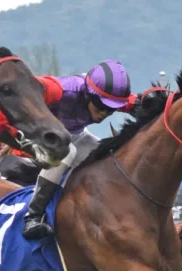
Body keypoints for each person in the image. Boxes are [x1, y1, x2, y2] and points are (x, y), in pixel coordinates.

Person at [21, 61, 136, 240]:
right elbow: (21, 88)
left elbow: (142, 102)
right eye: (102, 105)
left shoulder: (109, 97)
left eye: (112, 109)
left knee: (106, 155)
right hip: (35, 138)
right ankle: (33, 216)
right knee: (68, 151)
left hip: (70, 135)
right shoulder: (61, 90)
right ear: (89, 94)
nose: (105, 112)